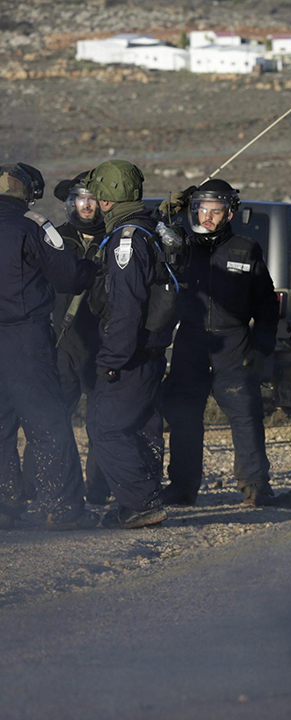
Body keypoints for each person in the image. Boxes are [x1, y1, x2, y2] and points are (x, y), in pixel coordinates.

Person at [159, 180, 291, 508]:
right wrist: (165, 213)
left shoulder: (245, 249)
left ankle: (255, 487)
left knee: (246, 416)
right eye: (202, 209)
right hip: (190, 342)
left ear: (229, 213)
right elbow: (155, 237)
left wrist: (261, 348)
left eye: (215, 211)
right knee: (184, 417)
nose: (207, 217)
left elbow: (266, 305)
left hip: (233, 343)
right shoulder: (182, 246)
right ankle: (182, 487)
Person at [0, 163, 98, 530]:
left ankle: (5, 504)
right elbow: (67, 276)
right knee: (47, 424)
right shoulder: (32, 226)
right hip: (25, 338)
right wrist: (90, 269)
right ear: (28, 192)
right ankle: (63, 507)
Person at [84, 159, 178, 529]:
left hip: (131, 353)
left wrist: (111, 358)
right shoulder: (150, 228)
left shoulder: (127, 238)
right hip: (152, 350)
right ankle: (146, 497)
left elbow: (125, 306)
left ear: (107, 199)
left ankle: (140, 503)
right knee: (142, 424)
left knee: (105, 426)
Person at [50, 172, 110, 505]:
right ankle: (57, 490)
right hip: (61, 342)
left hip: (103, 342)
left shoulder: (115, 240)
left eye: (93, 199)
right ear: (71, 202)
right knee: (55, 420)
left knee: (100, 422)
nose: (87, 206)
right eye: (80, 199)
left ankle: (98, 490)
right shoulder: (55, 240)